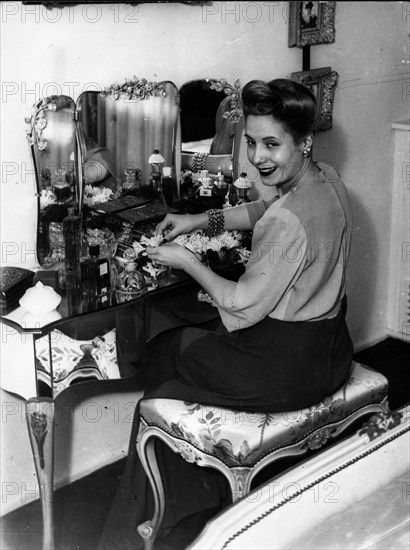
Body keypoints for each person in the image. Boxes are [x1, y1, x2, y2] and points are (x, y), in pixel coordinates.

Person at [98, 78, 354, 548]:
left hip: (283, 371)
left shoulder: (287, 221)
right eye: (252, 142)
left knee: (166, 353)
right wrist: (201, 220)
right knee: (194, 337)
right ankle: (197, 501)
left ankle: (150, 528)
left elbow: (238, 312)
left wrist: (188, 261)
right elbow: (264, 209)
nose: (258, 157)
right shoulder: (327, 179)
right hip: (332, 350)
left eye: (272, 145)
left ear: (305, 141)